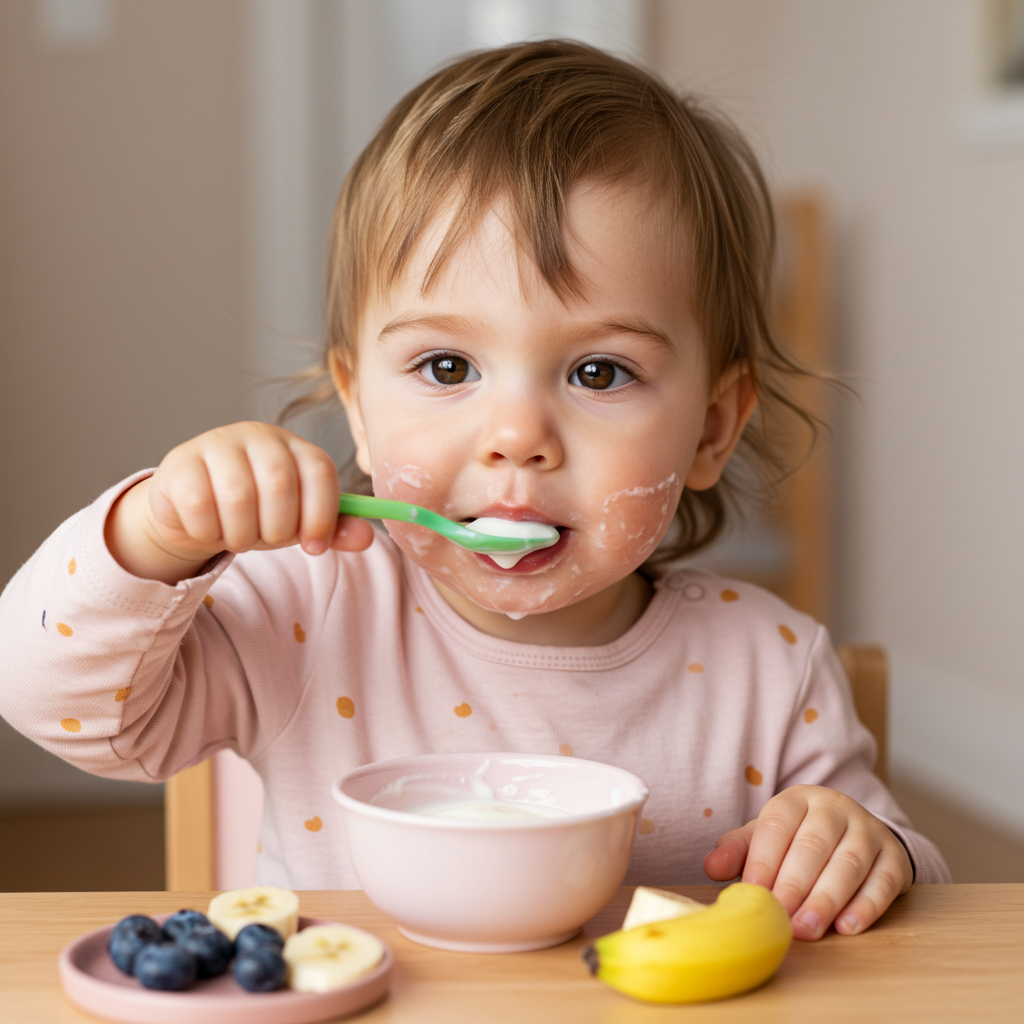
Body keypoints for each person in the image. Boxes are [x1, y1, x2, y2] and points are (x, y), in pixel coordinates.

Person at [0, 40, 949, 940]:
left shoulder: (770, 670)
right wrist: (154, 535)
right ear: (359, 411)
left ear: (711, 427)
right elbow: (50, 700)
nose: (516, 439)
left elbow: (910, 899)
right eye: (448, 366)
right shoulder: (301, 612)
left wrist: (869, 854)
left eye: (599, 374)